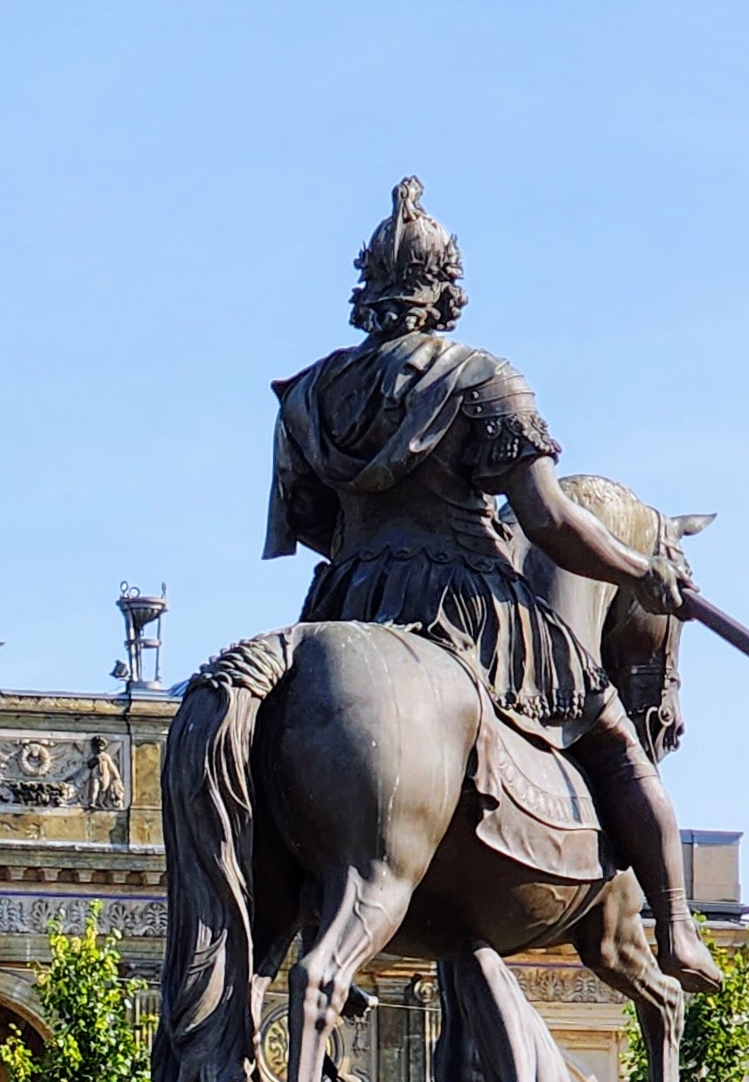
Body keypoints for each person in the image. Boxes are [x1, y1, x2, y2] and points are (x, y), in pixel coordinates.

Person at [265, 178, 722, 992]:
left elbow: (305, 521)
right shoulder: (484, 379)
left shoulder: (307, 396)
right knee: (612, 735)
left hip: (346, 603)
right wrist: (640, 569)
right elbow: (549, 520)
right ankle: (675, 925)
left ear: (367, 288)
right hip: (466, 603)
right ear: (448, 290)